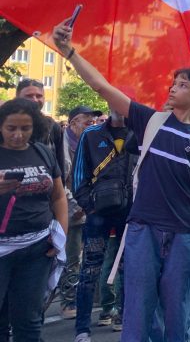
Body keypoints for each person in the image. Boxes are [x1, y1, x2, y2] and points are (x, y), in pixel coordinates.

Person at [52, 19, 190, 342]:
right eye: (173, 83)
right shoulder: (148, 120)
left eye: (183, 85)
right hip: (143, 227)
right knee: (138, 310)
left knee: (179, 311)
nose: (173, 88)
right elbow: (102, 87)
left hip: (185, 232)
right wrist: (69, 51)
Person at [0, 98, 68, 342]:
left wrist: (60, 235)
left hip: (37, 249)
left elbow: (58, 197)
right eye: (11, 128)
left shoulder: (42, 152)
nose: (18, 135)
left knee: (29, 321)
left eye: (25, 128)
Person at [71, 109, 138, 341]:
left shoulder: (140, 131)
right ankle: (82, 328)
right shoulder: (91, 134)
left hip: (130, 213)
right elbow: (78, 176)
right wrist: (90, 206)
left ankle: (125, 319)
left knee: (129, 268)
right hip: (98, 212)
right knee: (90, 269)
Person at [60, 105, 102, 320]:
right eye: (87, 121)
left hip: (87, 209)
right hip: (70, 212)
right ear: (74, 122)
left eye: (93, 121)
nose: (91, 124)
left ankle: (90, 297)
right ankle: (68, 301)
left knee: (88, 256)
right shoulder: (63, 144)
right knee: (71, 257)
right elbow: (60, 181)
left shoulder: (88, 142)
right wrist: (76, 207)